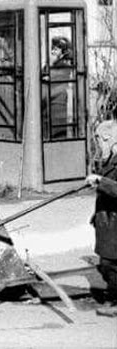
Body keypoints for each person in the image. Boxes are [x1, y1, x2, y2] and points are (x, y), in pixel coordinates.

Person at [85, 120, 117, 317]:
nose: (99, 145)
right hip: (108, 220)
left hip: (114, 223)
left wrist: (100, 181)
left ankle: (113, 302)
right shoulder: (111, 158)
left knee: (110, 264)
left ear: (107, 138)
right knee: (109, 262)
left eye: (99, 140)